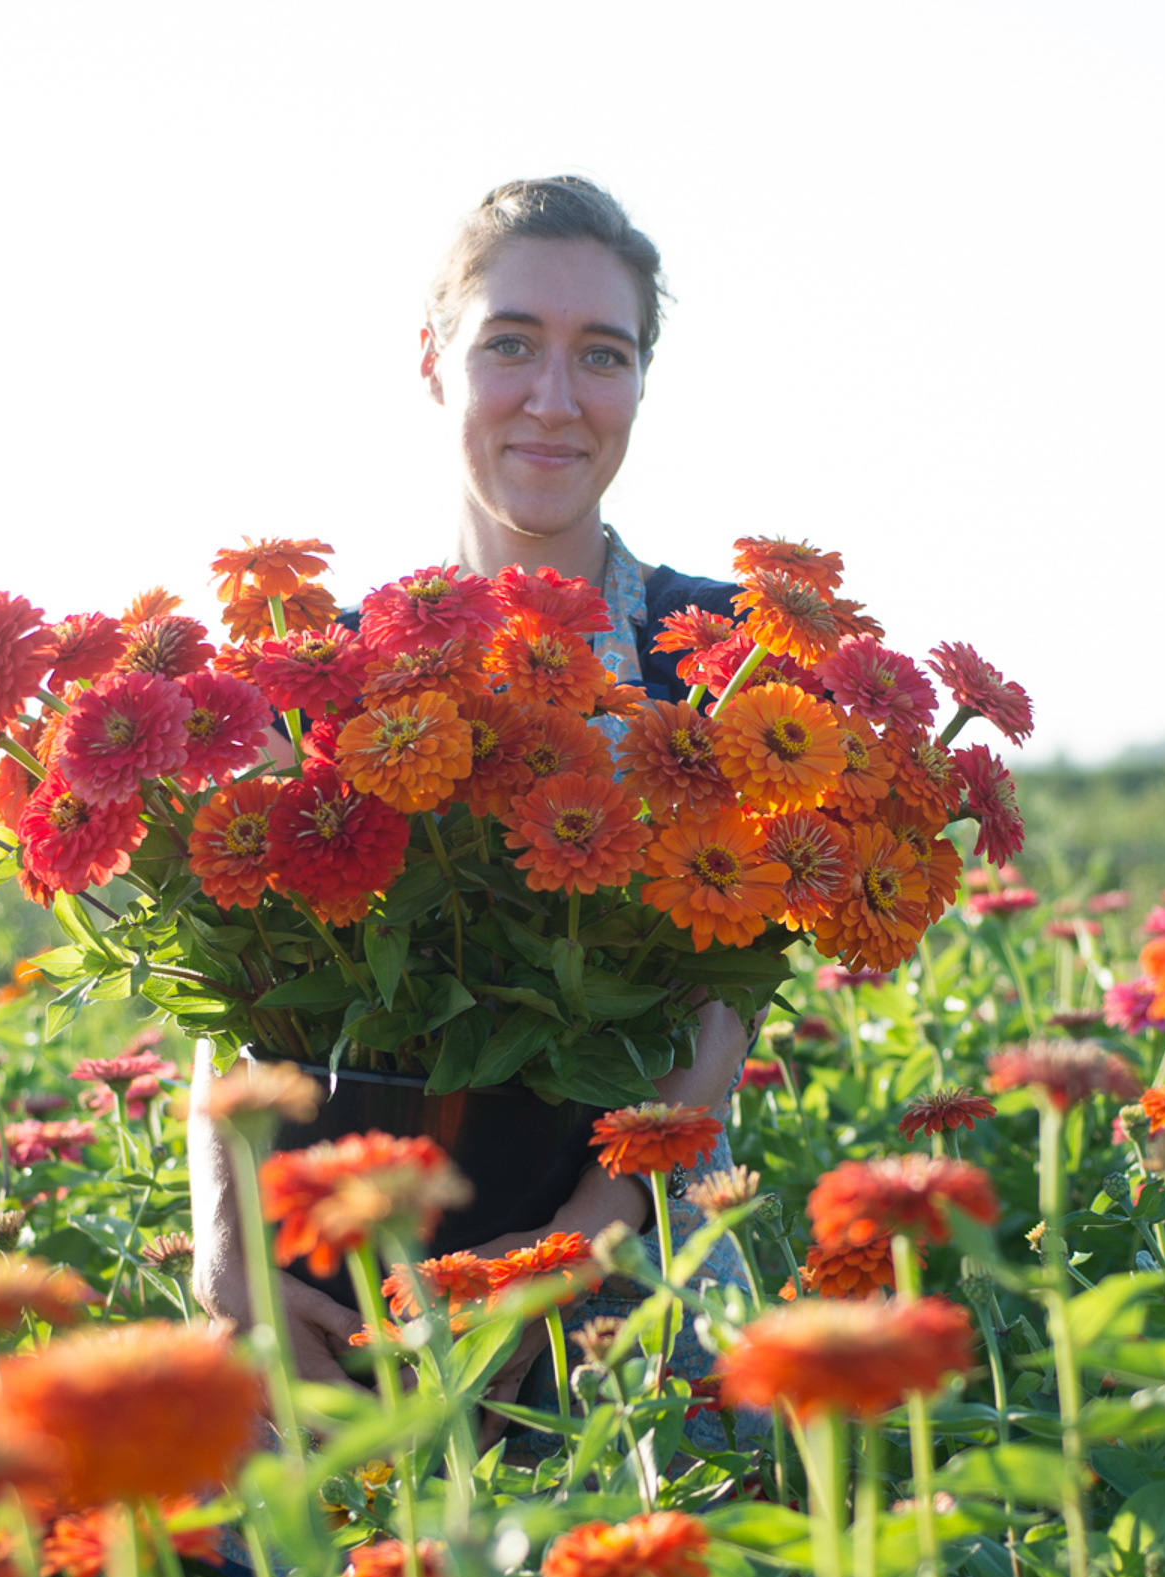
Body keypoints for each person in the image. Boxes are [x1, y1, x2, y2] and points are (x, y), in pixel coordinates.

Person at [189, 175, 754, 1402]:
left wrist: (578, 1245)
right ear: (434, 362)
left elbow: (723, 1008)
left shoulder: (723, 654)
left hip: (622, 1277)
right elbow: (229, 990)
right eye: (510, 344)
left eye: (602, 354)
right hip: (332, 1293)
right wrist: (227, 1255)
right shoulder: (321, 670)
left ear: (645, 380)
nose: (554, 399)